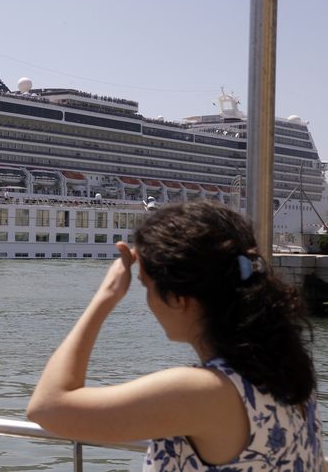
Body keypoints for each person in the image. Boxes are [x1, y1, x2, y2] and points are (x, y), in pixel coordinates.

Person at [26, 201, 324, 470]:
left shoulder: (201, 391)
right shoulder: (290, 373)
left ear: (179, 298)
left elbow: (47, 408)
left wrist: (104, 298)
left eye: (145, 286)